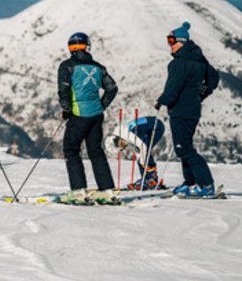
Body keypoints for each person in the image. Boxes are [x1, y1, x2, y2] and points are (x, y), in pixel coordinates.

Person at [155, 22, 220, 198]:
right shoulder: (199, 59)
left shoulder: (178, 64)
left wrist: (162, 100)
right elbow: (213, 77)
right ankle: (190, 182)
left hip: (180, 111)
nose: (169, 44)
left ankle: (206, 185)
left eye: (171, 40)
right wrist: (201, 94)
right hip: (192, 110)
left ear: (182, 41)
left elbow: (172, 89)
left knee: (184, 149)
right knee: (185, 146)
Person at [58, 32, 119, 205]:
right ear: (87, 46)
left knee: (71, 149)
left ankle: (78, 191)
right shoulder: (98, 67)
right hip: (96, 115)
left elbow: (63, 90)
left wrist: (67, 110)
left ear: (70, 48)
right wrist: (101, 105)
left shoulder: (67, 66)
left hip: (78, 115)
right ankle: (106, 191)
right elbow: (112, 88)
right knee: (95, 151)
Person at [113, 116, 166, 190]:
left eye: (122, 145)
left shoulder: (131, 133)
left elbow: (142, 147)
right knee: (141, 154)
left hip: (157, 128)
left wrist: (141, 160)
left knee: (144, 152)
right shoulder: (125, 132)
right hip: (150, 127)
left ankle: (152, 179)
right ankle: (145, 178)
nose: (124, 147)